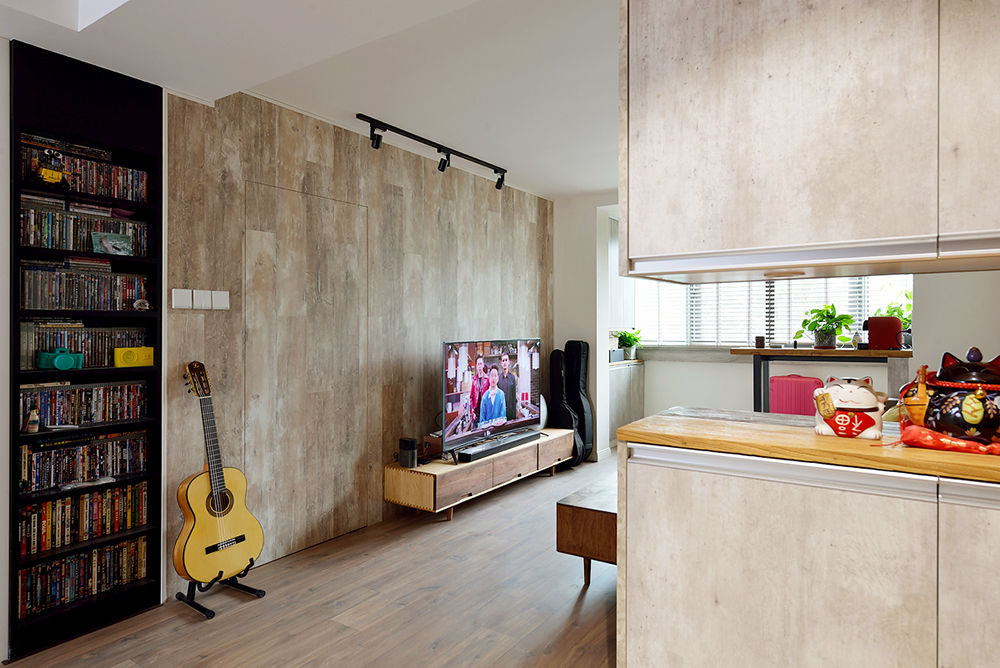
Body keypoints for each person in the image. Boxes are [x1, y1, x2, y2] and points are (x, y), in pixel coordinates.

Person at [497, 350, 518, 421]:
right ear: (501, 363)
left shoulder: (512, 378)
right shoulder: (498, 378)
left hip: (510, 413)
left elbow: (514, 398)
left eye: (506, 360)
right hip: (501, 412)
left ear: (509, 362)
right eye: (503, 360)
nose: (504, 362)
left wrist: (514, 416)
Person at [468, 355, 489, 424]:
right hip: (476, 413)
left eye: (481, 364)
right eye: (478, 364)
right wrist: (472, 410)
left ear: (483, 365)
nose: (479, 366)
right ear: (476, 366)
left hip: (485, 411)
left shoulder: (487, 379)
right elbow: (471, 397)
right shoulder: (474, 380)